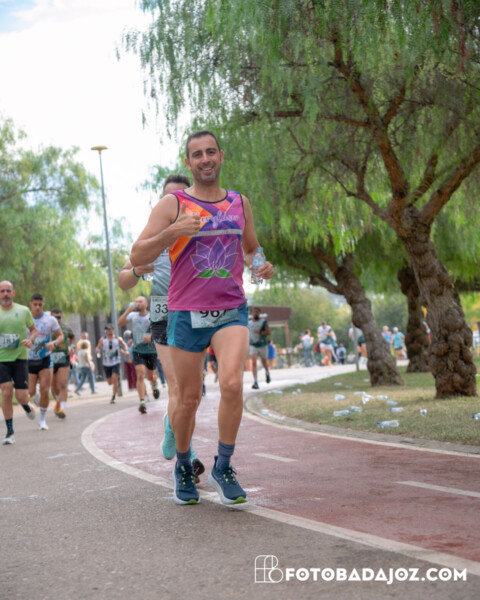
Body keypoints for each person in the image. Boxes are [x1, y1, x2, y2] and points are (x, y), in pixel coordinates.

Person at [129, 130, 274, 505]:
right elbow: (137, 255)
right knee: (188, 399)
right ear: (188, 162)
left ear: (221, 156)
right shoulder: (173, 204)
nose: (205, 159)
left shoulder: (239, 202)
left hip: (231, 309)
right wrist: (173, 231)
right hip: (185, 313)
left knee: (232, 384)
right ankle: (182, 465)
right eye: (197, 154)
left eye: (211, 152)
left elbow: (251, 248)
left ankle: (223, 466)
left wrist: (260, 265)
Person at [118, 174, 205, 483]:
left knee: (194, 390)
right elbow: (124, 278)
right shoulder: (154, 237)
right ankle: (188, 456)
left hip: (196, 314)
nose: (177, 203)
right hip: (163, 313)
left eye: (183, 197)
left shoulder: (204, 231)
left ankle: (171, 425)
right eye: (171, 198)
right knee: (178, 388)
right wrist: (136, 270)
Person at [0, 281, 38, 444]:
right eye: (2, 291)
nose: (5, 294)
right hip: (2, 359)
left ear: (13, 293)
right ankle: (10, 432)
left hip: (20, 358)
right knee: (6, 391)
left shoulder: (23, 311)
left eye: (8, 291)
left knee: (21, 396)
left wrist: (31, 340)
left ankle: (26, 405)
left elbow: (34, 330)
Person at [27, 293, 64, 431]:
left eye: (40, 305)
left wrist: (54, 343)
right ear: (30, 304)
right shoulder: (25, 318)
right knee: (30, 392)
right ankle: (35, 393)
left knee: (45, 390)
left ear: (43, 305)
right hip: (29, 359)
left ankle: (42, 420)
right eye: (35, 305)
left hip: (45, 359)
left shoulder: (50, 320)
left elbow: (60, 336)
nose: (37, 307)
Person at [118, 296, 160, 413]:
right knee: (140, 375)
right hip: (138, 350)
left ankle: (154, 384)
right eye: (136, 301)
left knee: (151, 376)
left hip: (151, 350)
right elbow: (120, 322)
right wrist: (128, 310)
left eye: (140, 301)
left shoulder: (152, 316)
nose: (137, 303)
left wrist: (151, 337)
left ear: (146, 304)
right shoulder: (133, 315)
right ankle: (142, 401)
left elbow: (160, 330)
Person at [49, 308, 75, 419]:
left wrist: (72, 346)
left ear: (61, 316)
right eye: (54, 317)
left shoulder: (65, 327)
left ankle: (63, 408)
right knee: (54, 387)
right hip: (50, 359)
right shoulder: (46, 327)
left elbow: (72, 337)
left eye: (58, 317)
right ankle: (58, 402)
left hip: (63, 358)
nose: (56, 319)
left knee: (63, 383)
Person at [95, 324, 128, 404]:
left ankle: (113, 397)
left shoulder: (118, 339)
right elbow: (98, 347)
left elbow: (124, 345)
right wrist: (97, 350)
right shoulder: (102, 340)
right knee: (110, 382)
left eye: (110, 329)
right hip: (106, 363)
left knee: (115, 379)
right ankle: (115, 383)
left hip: (116, 362)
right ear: (106, 330)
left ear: (113, 330)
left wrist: (126, 350)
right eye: (107, 329)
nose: (109, 331)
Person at [249, 307, 271, 388]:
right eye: (254, 312)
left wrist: (260, 332)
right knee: (254, 362)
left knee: (264, 362)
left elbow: (268, 332)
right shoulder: (249, 323)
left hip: (262, 345)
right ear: (252, 314)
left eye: (257, 312)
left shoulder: (263, 322)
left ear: (259, 313)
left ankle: (267, 373)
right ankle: (255, 382)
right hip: (253, 345)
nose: (255, 313)